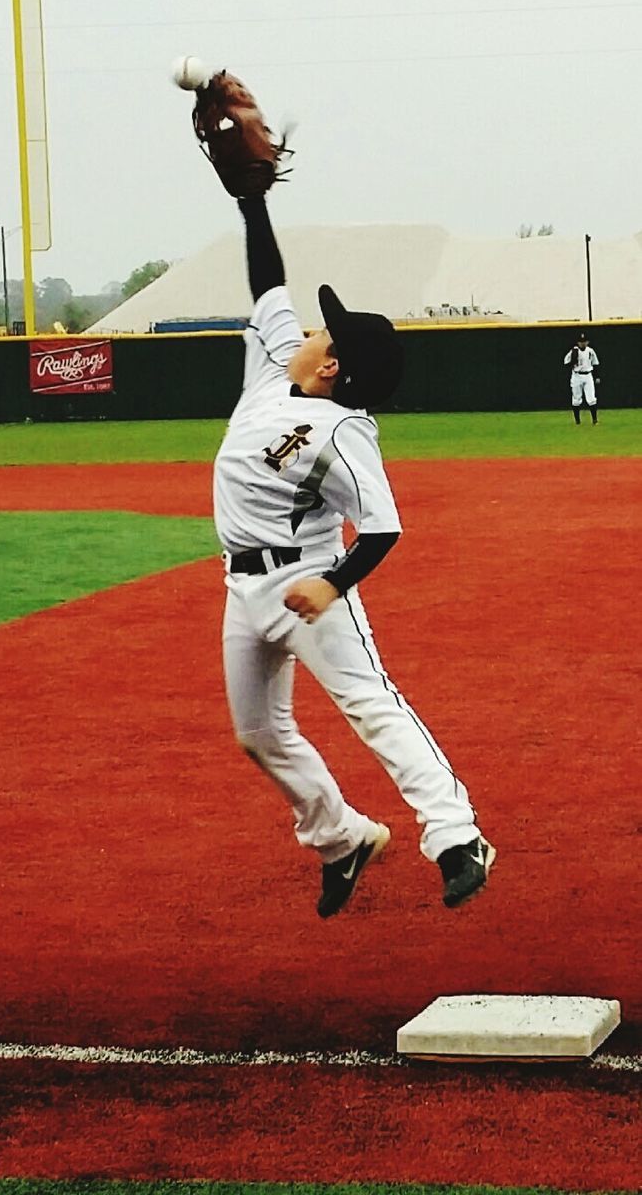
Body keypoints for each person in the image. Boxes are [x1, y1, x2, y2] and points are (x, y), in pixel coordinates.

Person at [214, 194, 495, 916]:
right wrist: (252, 201)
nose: (307, 331)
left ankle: (457, 836)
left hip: (309, 580)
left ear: (334, 365)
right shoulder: (275, 367)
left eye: (323, 331)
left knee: (370, 702)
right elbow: (268, 284)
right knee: (258, 733)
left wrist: (335, 585)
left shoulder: (343, 431)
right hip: (243, 590)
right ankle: (340, 838)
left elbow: (382, 527)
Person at [565, 333, 600, 424]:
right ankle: (577, 421)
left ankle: (595, 420)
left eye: (584, 341)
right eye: (581, 342)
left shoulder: (590, 351)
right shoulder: (574, 351)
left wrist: (597, 376)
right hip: (576, 375)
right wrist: (572, 361)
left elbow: (595, 363)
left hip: (588, 375)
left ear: (588, 342)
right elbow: (565, 362)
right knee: (576, 399)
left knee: (591, 398)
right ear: (578, 343)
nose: (583, 343)